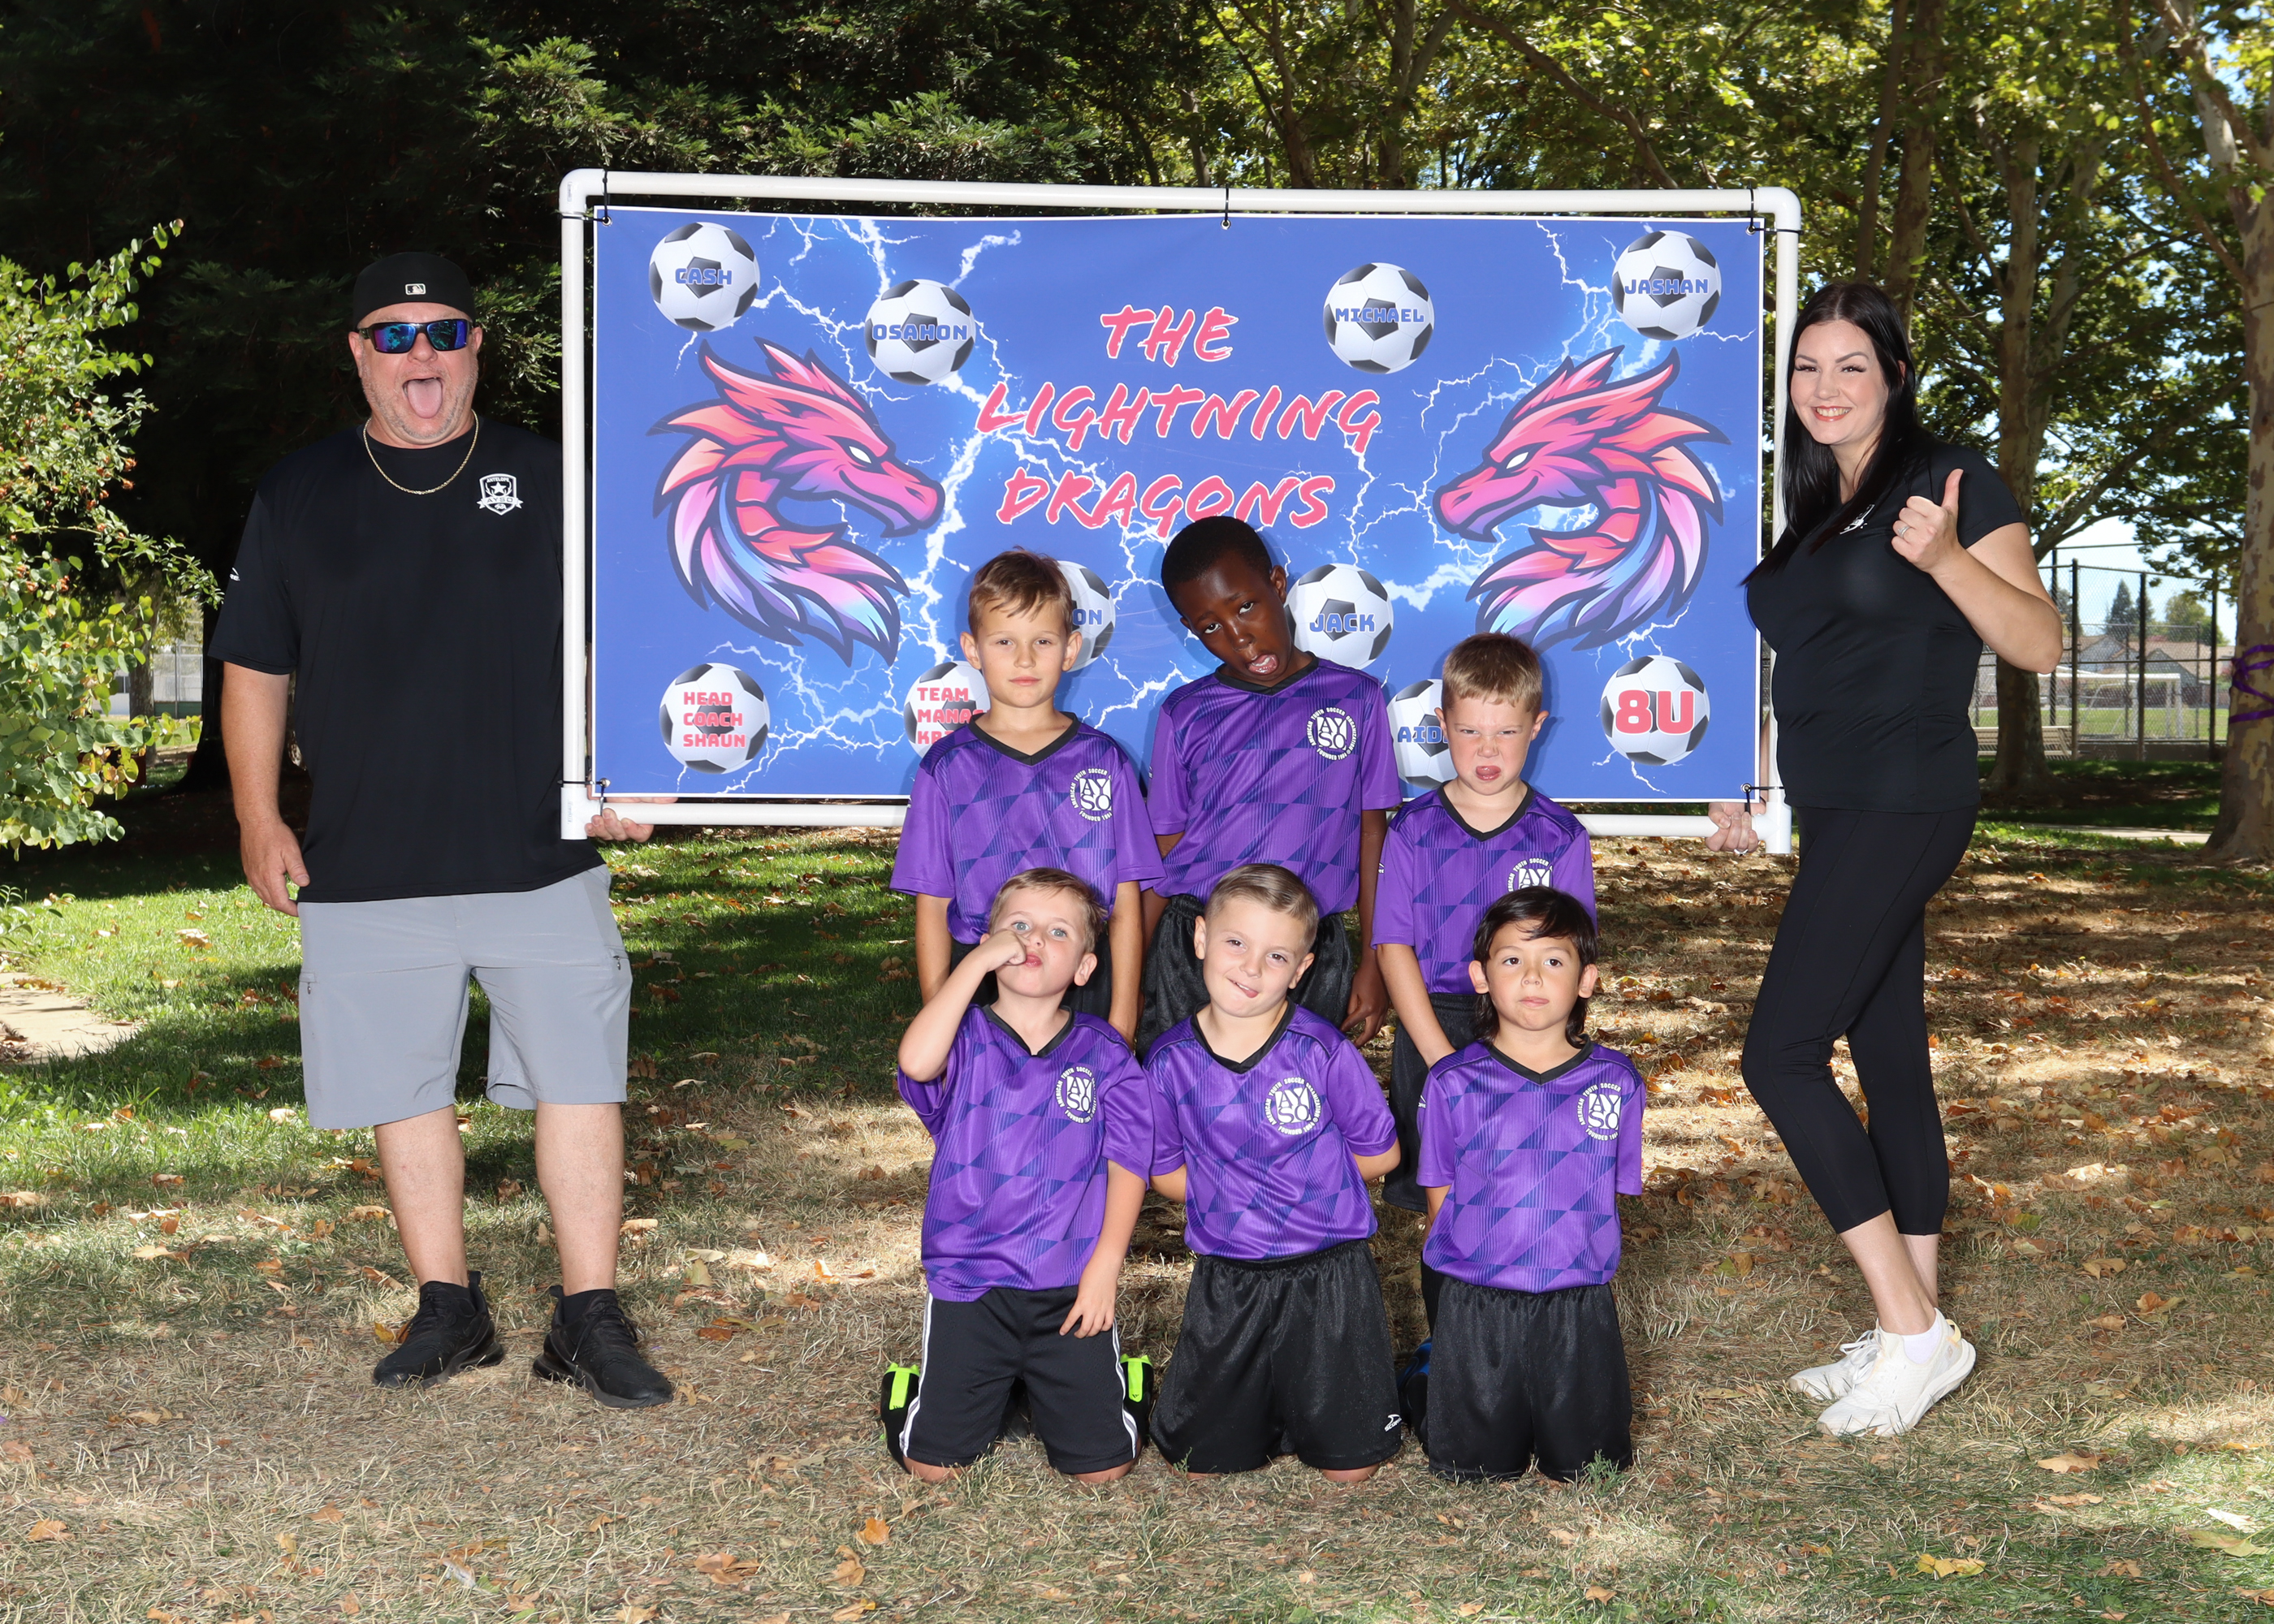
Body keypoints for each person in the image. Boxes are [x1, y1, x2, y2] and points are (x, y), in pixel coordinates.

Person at [212, 252, 672, 1407]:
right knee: (400, 1085)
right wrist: (259, 815)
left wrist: (624, 766)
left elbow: (614, 639)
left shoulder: (549, 476)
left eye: (445, 332)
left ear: (476, 348)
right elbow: (256, 665)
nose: (422, 354)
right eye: (394, 335)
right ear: (358, 355)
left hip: (540, 854)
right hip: (366, 857)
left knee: (581, 1079)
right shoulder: (298, 493)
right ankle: (448, 1307)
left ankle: (588, 1316)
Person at [1705, 282, 2062, 1436]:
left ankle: (1915, 1334)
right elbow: (1809, 663)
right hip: (1833, 804)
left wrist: (1949, 558)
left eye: (1850, 365)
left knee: (1779, 1054)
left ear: (1894, 377)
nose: (1825, 388)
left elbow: (2040, 643)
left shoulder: (1949, 481)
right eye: (1807, 367)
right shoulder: (1817, 508)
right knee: (1889, 1053)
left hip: (1905, 800)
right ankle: (1917, 1319)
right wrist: (1752, 776)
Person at [885, 869, 1154, 1483]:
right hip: (971, 1279)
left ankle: (1122, 1384)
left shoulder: (1105, 1053)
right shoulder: (962, 1036)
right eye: (1020, 925)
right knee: (935, 1469)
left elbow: (1129, 1163)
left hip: (1069, 1283)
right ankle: (911, 1392)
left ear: (1084, 967)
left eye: (1058, 932)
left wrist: (1105, 1269)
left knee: (1101, 1471)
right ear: (989, 943)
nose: (1034, 939)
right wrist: (975, 966)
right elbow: (916, 1062)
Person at [1143, 864, 1404, 1481]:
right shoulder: (1169, 1062)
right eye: (1236, 942)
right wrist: (1234, 1195)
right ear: (1201, 938)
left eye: (1277, 955)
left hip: (1329, 1271)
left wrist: (1304, 1187)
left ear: (1302, 968)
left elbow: (1382, 1154)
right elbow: (1166, 1175)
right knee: (1200, 1466)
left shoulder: (1322, 1051)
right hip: (1230, 1275)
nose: (1252, 968)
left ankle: (1382, 1390)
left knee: (1350, 1469)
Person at [1373, 632, 1594, 1292]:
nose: (1487, 750)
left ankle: (1522, 1322)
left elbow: (1571, 963)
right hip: (1433, 1025)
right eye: (1470, 732)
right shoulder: (1413, 828)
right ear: (1442, 726)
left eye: (1506, 732)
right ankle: (1448, 1343)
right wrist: (1442, 1061)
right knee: (1444, 1203)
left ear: (1537, 727)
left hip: (1528, 1032)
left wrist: (1543, 1049)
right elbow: (1392, 945)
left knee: (1524, 1185)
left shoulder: (1560, 836)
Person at [1139, 518, 1402, 1055]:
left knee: (1296, 1096)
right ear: (1190, 629)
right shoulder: (1186, 713)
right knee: (1187, 1093)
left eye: (1245, 607)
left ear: (1278, 585)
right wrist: (1131, 970)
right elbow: (1164, 850)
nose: (1238, 636)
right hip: (1195, 944)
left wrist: (1374, 964)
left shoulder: (1357, 699)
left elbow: (1373, 837)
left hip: (1310, 947)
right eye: (1210, 627)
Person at [1407, 888, 1641, 1482]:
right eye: (1512, 959)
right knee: (1475, 1471)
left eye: (1553, 961)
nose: (1532, 977)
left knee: (1588, 1469)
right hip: (1479, 1301)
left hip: (1576, 1304)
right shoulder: (1452, 1082)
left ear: (1586, 980)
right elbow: (1439, 1194)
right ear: (1480, 977)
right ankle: (1424, 1379)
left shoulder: (1616, 1082)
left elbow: (1606, 1192)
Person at [892, 550, 1161, 1043]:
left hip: (1084, 975)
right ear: (973, 650)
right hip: (983, 976)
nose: (1024, 659)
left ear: (1071, 649)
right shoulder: (946, 767)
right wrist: (940, 1019)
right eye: (1004, 641)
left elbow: (1126, 899)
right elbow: (933, 902)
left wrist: (1122, 1022)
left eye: (1042, 641)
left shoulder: (1106, 761)